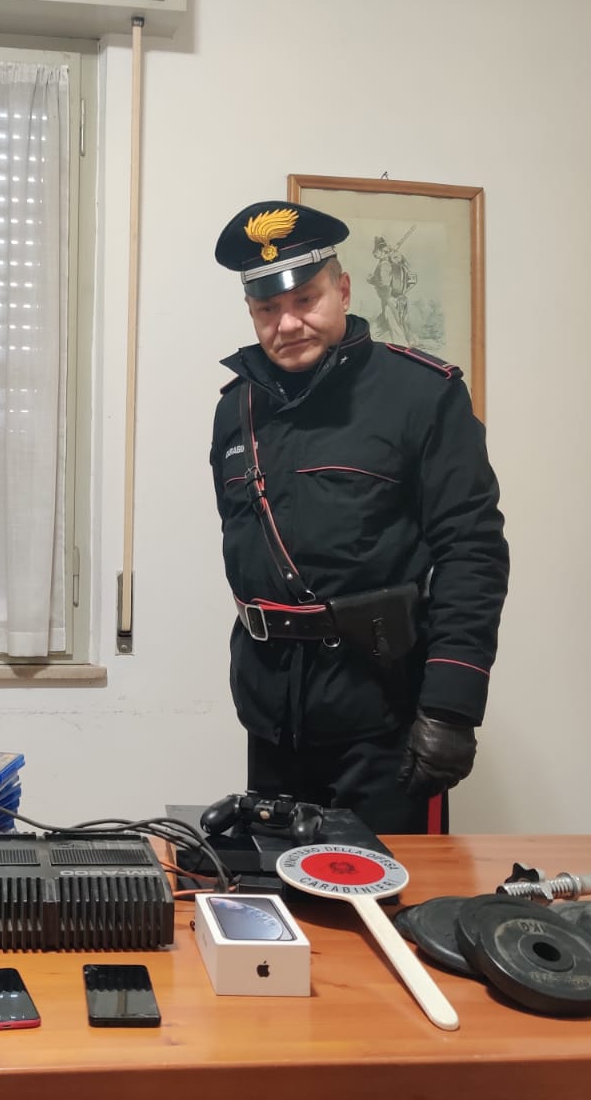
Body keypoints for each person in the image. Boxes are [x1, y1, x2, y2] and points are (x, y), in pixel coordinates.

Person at [209, 201, 508, 835]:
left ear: (343, 290)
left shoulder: (422, 395)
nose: (288, 323)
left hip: (384, 715)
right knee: (279, 886)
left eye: (306, 300)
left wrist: (451, 707)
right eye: (267, 309)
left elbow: (472, 552)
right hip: (271, 715)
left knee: (393, 886)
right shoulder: (237, 409)